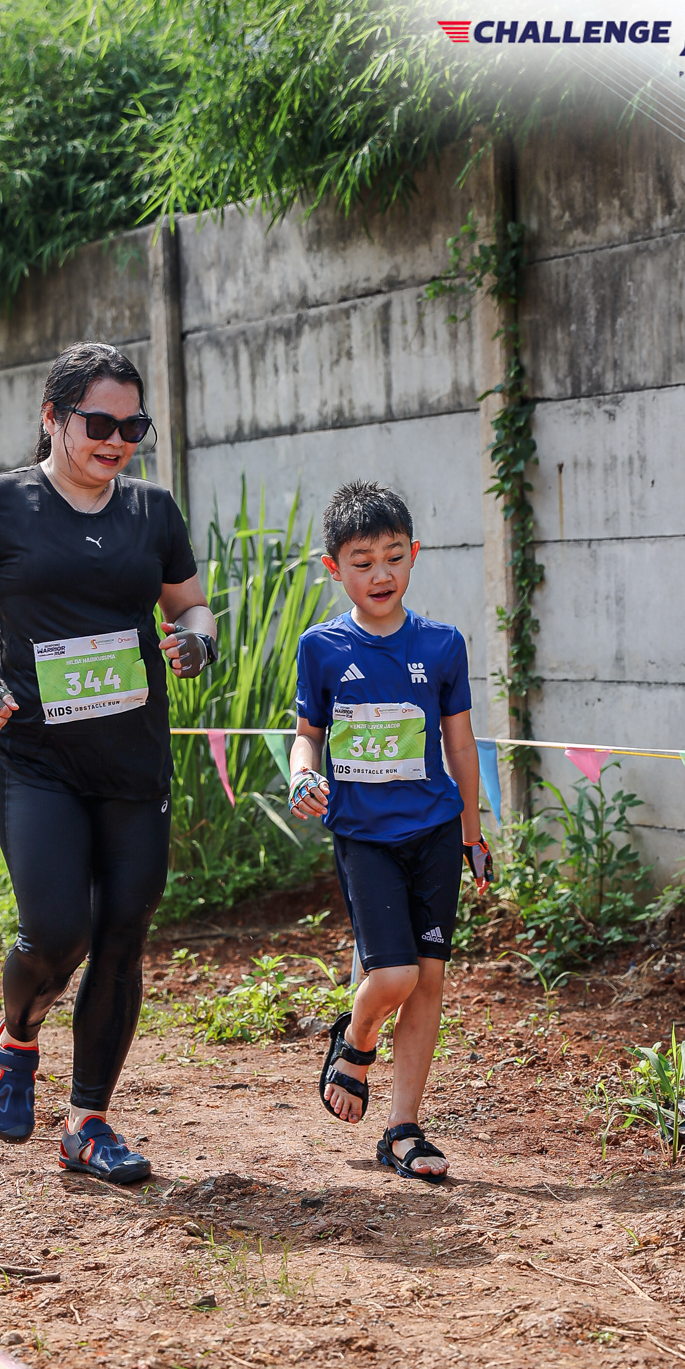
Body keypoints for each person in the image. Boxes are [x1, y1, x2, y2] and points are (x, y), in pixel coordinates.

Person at [0, 341, 217, 1183]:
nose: (117, 441)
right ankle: (16, 1037)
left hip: (133, 762)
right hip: (35, 756)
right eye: (100, 424)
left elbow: (192, 606)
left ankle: (88, 1123)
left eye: (133, 427)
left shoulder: (152, 511)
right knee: (57, 931)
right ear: (53, 417)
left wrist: (197, 641)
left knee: (122, 935)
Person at [288, 480, 492, 1180]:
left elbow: (460, 745)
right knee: (395, 973)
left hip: (434, 829)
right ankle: (356, 1037)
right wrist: (302, 777)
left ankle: (404, 1129)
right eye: (363, 561)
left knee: (428, 980)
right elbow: (307, 735)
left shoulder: (442, 645)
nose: (381, 574)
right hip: (364, 836)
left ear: (414, 555)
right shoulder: (321, 648)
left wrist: (473, 834)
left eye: (394, 557)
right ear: (334, 568)